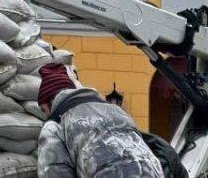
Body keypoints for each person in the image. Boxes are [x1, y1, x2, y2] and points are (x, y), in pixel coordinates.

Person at [36, 63, 165, 178]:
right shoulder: (117, 111)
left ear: (49, 102)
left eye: (43, 110)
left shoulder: (55, 124)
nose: (46, 114)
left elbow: (53, 171)